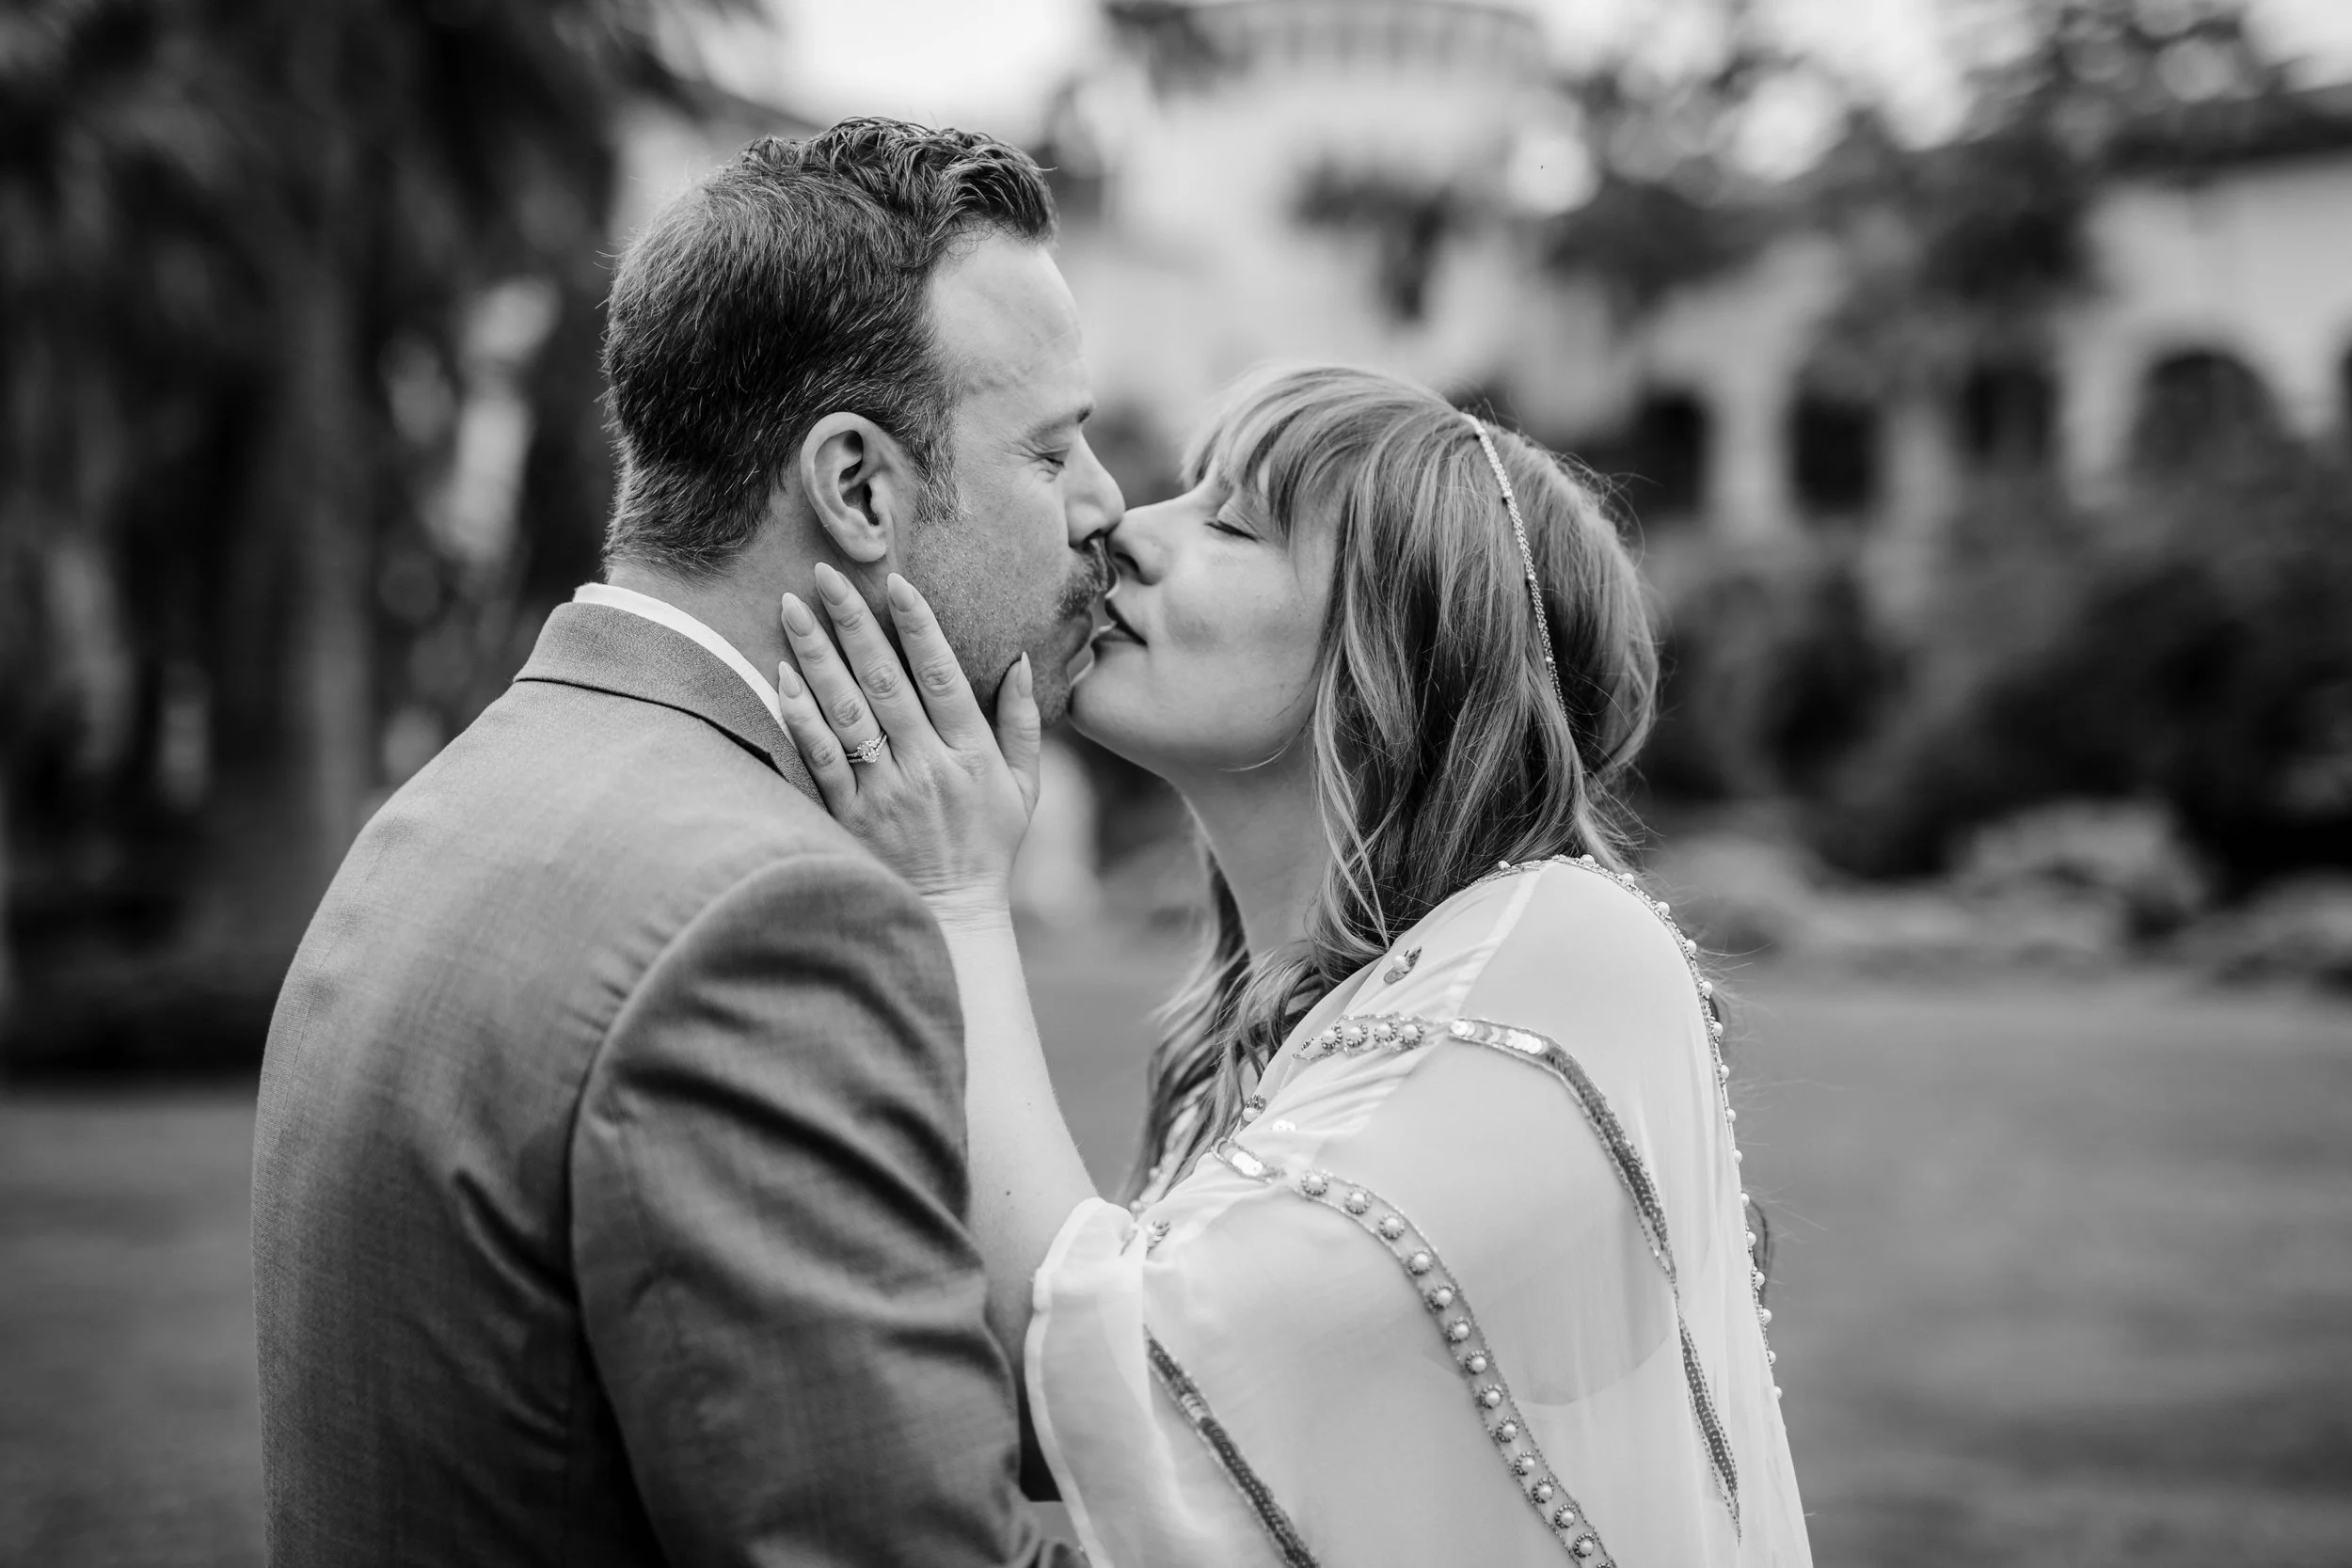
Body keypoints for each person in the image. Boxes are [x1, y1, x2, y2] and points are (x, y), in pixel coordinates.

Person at [771, 363, 1815, 1566]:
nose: (1122, 528)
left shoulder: (1572, 945)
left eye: (1230, 523)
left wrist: (952, 895)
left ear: (1405, 657)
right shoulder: (1246, 1040)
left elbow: (1107, 1392)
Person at [250, 120, 1118, 1566]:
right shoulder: (766, 920)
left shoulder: (464, 797)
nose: (1103, 505)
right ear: (856, 486)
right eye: (1052, 446)